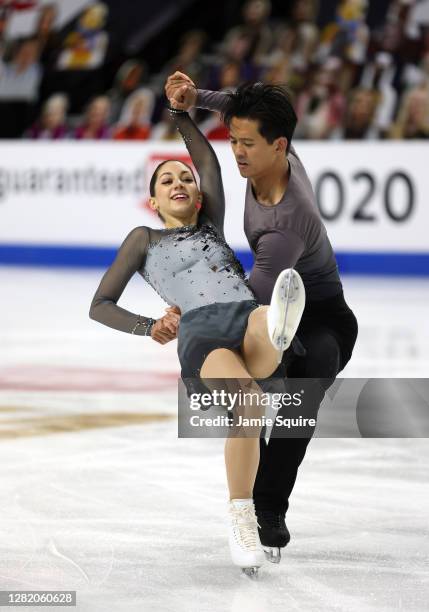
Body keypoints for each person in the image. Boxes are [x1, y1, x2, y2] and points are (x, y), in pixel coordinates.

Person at [89, 102, 306, 574]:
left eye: (185, 179)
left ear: (200, 194)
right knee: (248, 402)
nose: (180, 183)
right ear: (154, 202)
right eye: (167, 181)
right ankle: (241, 514)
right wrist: (149, 327)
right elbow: (99, 304)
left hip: (246, 316)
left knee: (264, 320)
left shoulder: (212, 224)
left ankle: (279, 326)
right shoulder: (143, 239)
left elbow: (207, 161)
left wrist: (180, 114)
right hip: (202, 335)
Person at [165, 72, 358, 562]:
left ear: (279, 145)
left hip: (320, 318)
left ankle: (267, 506)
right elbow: (244, 103)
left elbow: (246, 302)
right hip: (275, 309)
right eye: (232, 141)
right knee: (264, 387)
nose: (237, 152)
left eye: (247, 144)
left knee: (302, 388)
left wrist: (195, 305)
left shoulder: (286, 226)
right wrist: (197, 99)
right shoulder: (281, 155)